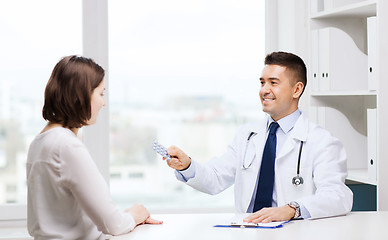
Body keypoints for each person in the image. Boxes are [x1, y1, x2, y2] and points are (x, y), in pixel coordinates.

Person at [163, 51, 353, 223]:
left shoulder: (322, 141)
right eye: (262, 82)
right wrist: (187, 166)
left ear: (297, 90)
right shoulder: (247, 135)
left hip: (294, 233)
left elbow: (337, 196)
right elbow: (216, 179)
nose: (264, 90)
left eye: (273, 82)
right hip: (248, 231)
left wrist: (290, 209)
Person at [26, 55, 162, 239]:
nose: (103, 102)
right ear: (80, 95)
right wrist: (135, 215)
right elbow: (113, 224)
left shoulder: (39, 142)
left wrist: (124, 215)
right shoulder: (66, 146)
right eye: (101, 93)